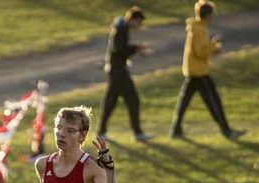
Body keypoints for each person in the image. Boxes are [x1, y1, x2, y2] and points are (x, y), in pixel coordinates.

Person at [168, 0, 246, 139]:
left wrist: (211, 46)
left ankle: (176, 130)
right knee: (214, 101)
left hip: (194, 70)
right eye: (212, 14)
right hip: (198, 72)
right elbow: (200, 52)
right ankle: (226, 131)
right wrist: (214, 46)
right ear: (208, 15)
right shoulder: (199, 30)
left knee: (184, 102)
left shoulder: (197, 28)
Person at [97, 6, 152, 142]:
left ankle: (101, 131)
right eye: (139, 22)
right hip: (119, 72)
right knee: (132, 100)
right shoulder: (121, 30)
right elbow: (120, 49)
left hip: (116, 71)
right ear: (134, 19)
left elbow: (119, 50)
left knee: (111, 102)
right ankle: (137, 132)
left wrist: (135, 49)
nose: (139, 26)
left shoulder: (121, 28)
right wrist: (136, 48)